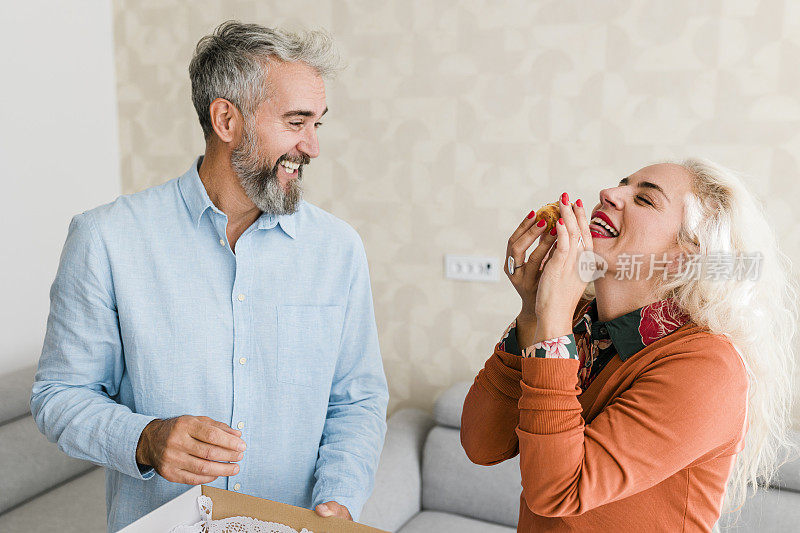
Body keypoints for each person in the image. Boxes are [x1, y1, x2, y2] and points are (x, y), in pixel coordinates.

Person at [31, 21, 388, 532]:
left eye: (317, 125)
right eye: (295, 123)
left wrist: (340, 498)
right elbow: (59, 395)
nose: (311, 147)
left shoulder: (338, 249)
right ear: (226, 119)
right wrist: (146, 437)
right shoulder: (105, 238)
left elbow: (357, 400)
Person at [461, 160, 797, 531]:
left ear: (685, 255)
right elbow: (482, 446)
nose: (609, 193)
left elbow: (557, 492)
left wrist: (552, 321)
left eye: (645, 200)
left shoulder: (708, 367)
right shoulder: (578, 324)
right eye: (622, 184)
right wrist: (531, 313)